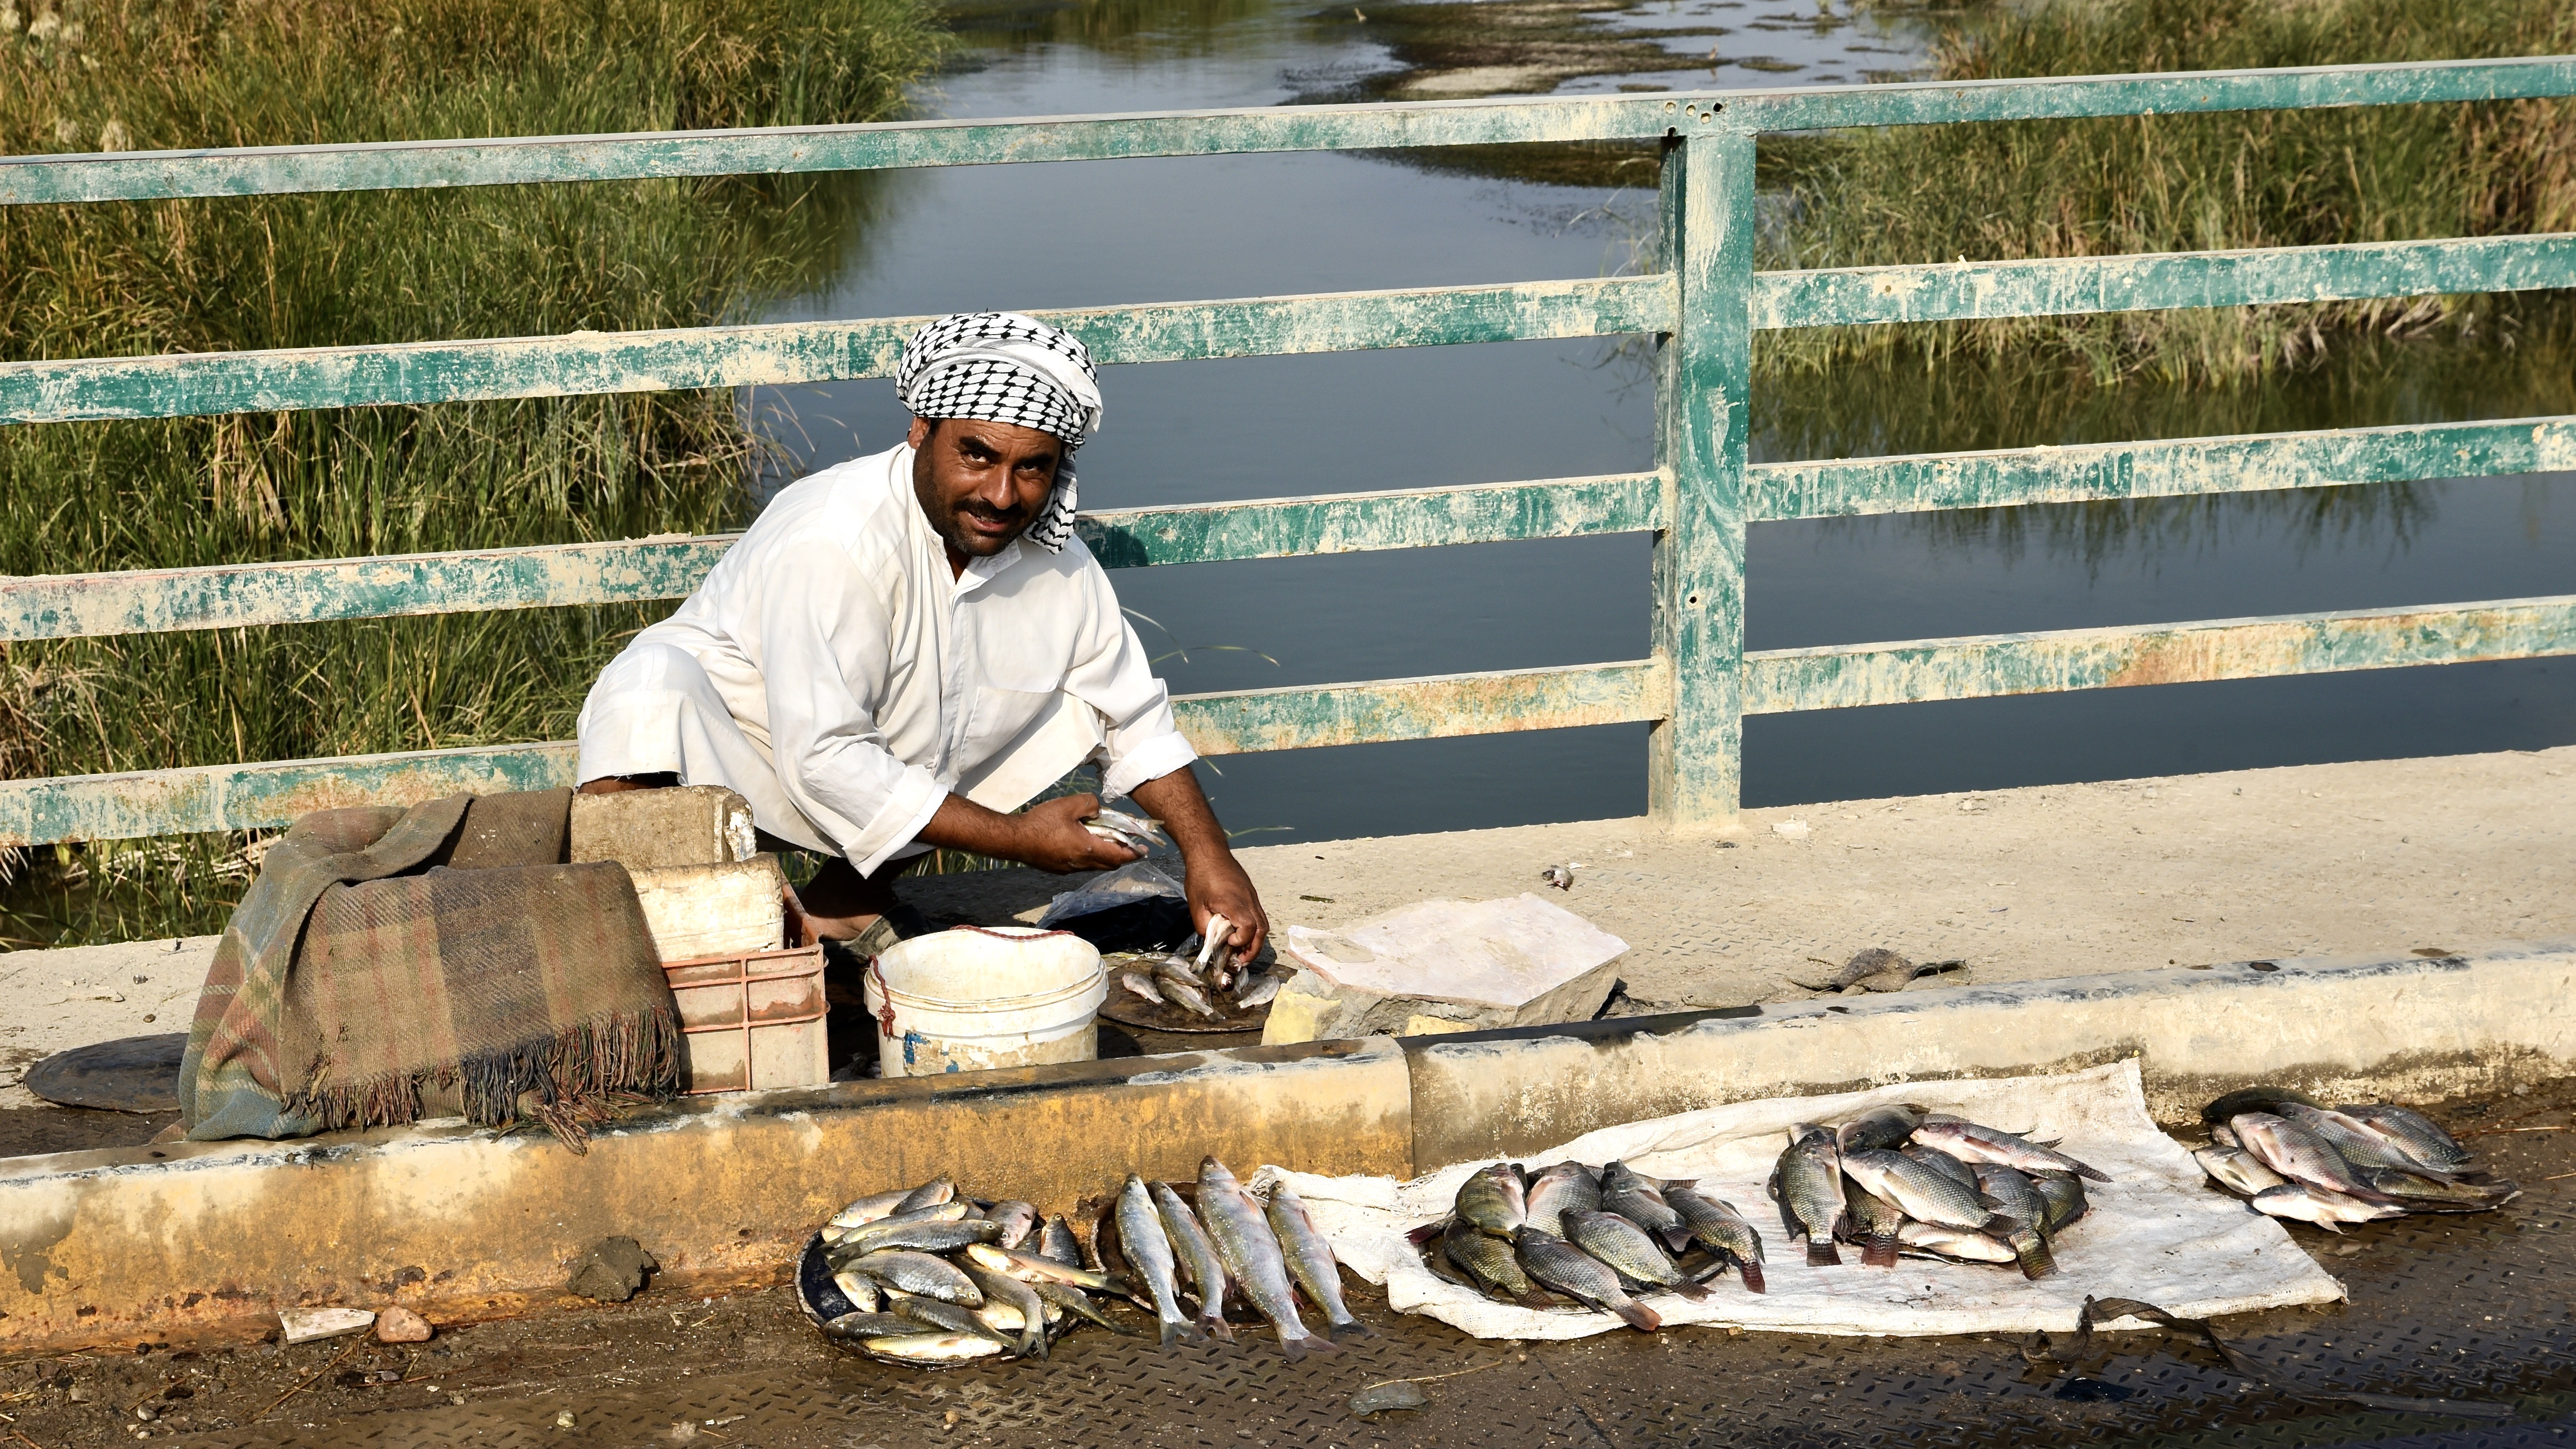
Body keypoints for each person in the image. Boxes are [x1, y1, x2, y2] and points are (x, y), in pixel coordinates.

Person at [574, 312, 1268, 966]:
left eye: (1033, 468)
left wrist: (1210, 854)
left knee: (1047, 690)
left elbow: (1134, 719)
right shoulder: (836, 538)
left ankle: (842, 907)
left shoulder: (1058, 567)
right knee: (649, 688)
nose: (1001, 495)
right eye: (977, 455)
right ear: (920, 430)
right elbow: (824, 758)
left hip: (864, 768)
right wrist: (1021, 842)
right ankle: (628, 942)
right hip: (739, 755)